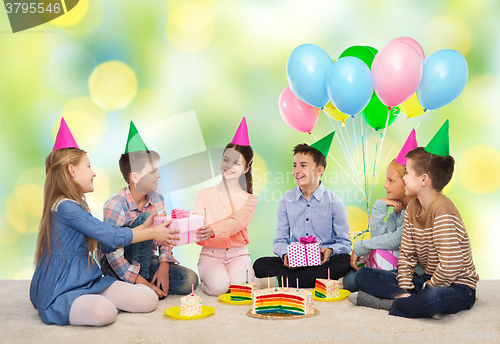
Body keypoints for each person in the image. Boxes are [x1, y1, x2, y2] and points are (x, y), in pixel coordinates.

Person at [30, 118, 178, 326]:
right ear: (72, 171)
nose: (94, 172)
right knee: (105, 312)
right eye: (88, 166)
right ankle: (84, 305)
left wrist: (143, 232)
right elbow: (108, 234)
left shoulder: (77, 205)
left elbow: (104, 242)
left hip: (89, 280)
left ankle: (96, 300)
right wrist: (149, 233)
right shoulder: (65, 207)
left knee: (149, 299)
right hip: (62, 288)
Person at [350, 120, 479, 319]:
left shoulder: (442, 209)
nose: (405, 178)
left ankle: (385, 303)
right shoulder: (412, 209)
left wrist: (433, 285)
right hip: (425, 279)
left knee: (435, 296)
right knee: (363, 275)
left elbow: (451, 263)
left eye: (408, 173)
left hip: (456, 285)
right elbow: (407, 255)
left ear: (424, 180)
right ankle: (407, 299)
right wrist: (405, 286)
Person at [100, 121, 198, 298]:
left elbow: (166, 236)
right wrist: (142, 282)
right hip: (118, 263)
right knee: (147, 218)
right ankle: (136, 283)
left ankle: (138, 284)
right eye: (153, 171)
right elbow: (112, 253)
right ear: (135, 177)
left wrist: (164, 265)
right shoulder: (115, 205)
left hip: (146, 259)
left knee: (190, 280)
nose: (158, 175)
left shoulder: (157, 199)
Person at [253, 132, 352, 288]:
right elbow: (280, 240)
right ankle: (309, 280)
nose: (296, 171)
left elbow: (345, 243)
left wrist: (329, 250)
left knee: (344, 262)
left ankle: (283, 282)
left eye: (303, 165)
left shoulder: (334, 202)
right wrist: (285, 254)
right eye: (294, 165)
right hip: (295, 262)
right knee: (260, 264)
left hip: (322, 260)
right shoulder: (286, 200)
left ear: (320, 170)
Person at [342, 130, 422, 291]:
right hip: (393, 267)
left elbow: (396, 239)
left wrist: (360, 245)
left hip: (415, 273)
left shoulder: (417, 210)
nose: (385, 185)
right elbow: (380, 239)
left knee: (353, 280)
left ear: (407, 181)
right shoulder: (398, 210)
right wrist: (379, 205)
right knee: (351, 274)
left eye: (391, 180)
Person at [193, 117, 258, 296]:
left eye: (236, 163)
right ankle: (209, 280)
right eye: (226, 160)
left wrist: (212, 228)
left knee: (242, 289)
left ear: (245, 169)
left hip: (238, 255)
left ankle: (242, 277)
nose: (228, 166)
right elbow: (198, 219)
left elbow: (235, 223)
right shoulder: (204, 194)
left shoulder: (249, 200)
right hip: (210, 255)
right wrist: (187, 224)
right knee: (219, 288)